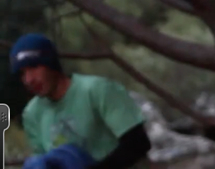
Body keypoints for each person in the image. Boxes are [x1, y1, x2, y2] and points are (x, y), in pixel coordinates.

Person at [9, 33, 152, 169]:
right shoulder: (32, 113)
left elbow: (138, 144)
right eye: (22, 74)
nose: (29, 80)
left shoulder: (97, 90)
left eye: (34, 67)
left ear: (51, 64)